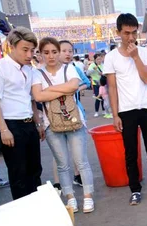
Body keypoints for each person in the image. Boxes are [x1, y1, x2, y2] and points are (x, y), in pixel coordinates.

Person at [105, 13, 147, 205]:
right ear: (118, 33)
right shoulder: (111, 57)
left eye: (134, 32)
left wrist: (135, 57)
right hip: (126, 110)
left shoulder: (144, 52)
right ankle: (135, 190)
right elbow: (112, 88)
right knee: (130, 152)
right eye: (126, 33)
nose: (131, 37)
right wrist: (115, 115)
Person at [32, 37, 95, 213]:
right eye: (46, 52)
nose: (51, 56)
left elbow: (74, 86)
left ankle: (88, 196)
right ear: (40, 54)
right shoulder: (37, 73)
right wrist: (63, 88)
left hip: (75, 121)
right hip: (50, 123)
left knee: (81, 161)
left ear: (59, 52)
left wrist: (49, 90)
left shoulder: (69, 68)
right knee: (62, 164)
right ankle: (70, 198)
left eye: (54, 52)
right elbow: (38, 97)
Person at [0, 27, 45, 200]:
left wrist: (38, 122)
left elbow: (31, 99)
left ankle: (37, 207)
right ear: (12, 46)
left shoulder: (29, 69)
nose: (29, 55)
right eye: (25, 50)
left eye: (32, 50)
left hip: (29, 124)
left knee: (35, 170)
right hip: (10, 125)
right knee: (18, 174)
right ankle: (23, 212)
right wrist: (4, 130)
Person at [59, 40, 91, 187]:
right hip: (56, 115)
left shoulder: (74, 68)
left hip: (76, 112)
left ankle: (79, 177)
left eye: (70, 51)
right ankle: (59, 183)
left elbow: (86, 82)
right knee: (60, 153)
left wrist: (75, 89)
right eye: (64, 50)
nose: (68, 54)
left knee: (79, 149)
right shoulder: (49, 71)